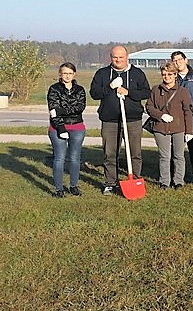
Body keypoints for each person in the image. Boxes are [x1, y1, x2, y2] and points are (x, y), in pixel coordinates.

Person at [89, 45, 150, 195]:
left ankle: (135, 179)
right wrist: (110, 87)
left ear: (127, 57)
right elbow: (94, 93)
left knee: (135, 153)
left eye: (121, 57)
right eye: (115, 57)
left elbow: (146, 92)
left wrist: (128, 92)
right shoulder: (102, 73)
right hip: (110, 120)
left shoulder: (137, 73)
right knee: (110, 153)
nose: (118, 60)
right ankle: (110, 183)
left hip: (132, 120)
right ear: (111, 58)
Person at [146, 61, 193, 189]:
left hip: (178, 128)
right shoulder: (156, 90)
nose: (167, 77)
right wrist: (160, 115)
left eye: (170, 74)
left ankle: (178, 181)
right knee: (164, 156)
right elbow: (149, 107)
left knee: (179, 156)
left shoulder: (182, 91)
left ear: (175, 75)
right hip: (160, 128)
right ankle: (164, 182)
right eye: (164, 74)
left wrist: (189, 131)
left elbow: (188, 111)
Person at [47, 62, 87, 197]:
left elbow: (80, 108)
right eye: (65, 73)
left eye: (70, 73)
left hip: (77, 127)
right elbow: (53, 111)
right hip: (57, 128)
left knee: (75, 158)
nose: (67, 76)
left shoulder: (80, 90)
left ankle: (73, 186)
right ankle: (59, 189)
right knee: (59, 158)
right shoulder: (54, 89)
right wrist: (60, 128)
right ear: (60, 74)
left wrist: (61, 110)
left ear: (74, 74)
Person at [171, 51, 193, 183]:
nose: (177, 63)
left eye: (180, 59)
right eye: (175, 60)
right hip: (176, 118)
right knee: (175, 148)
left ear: (186, 60)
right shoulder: (172, 77)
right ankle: (174, 174)